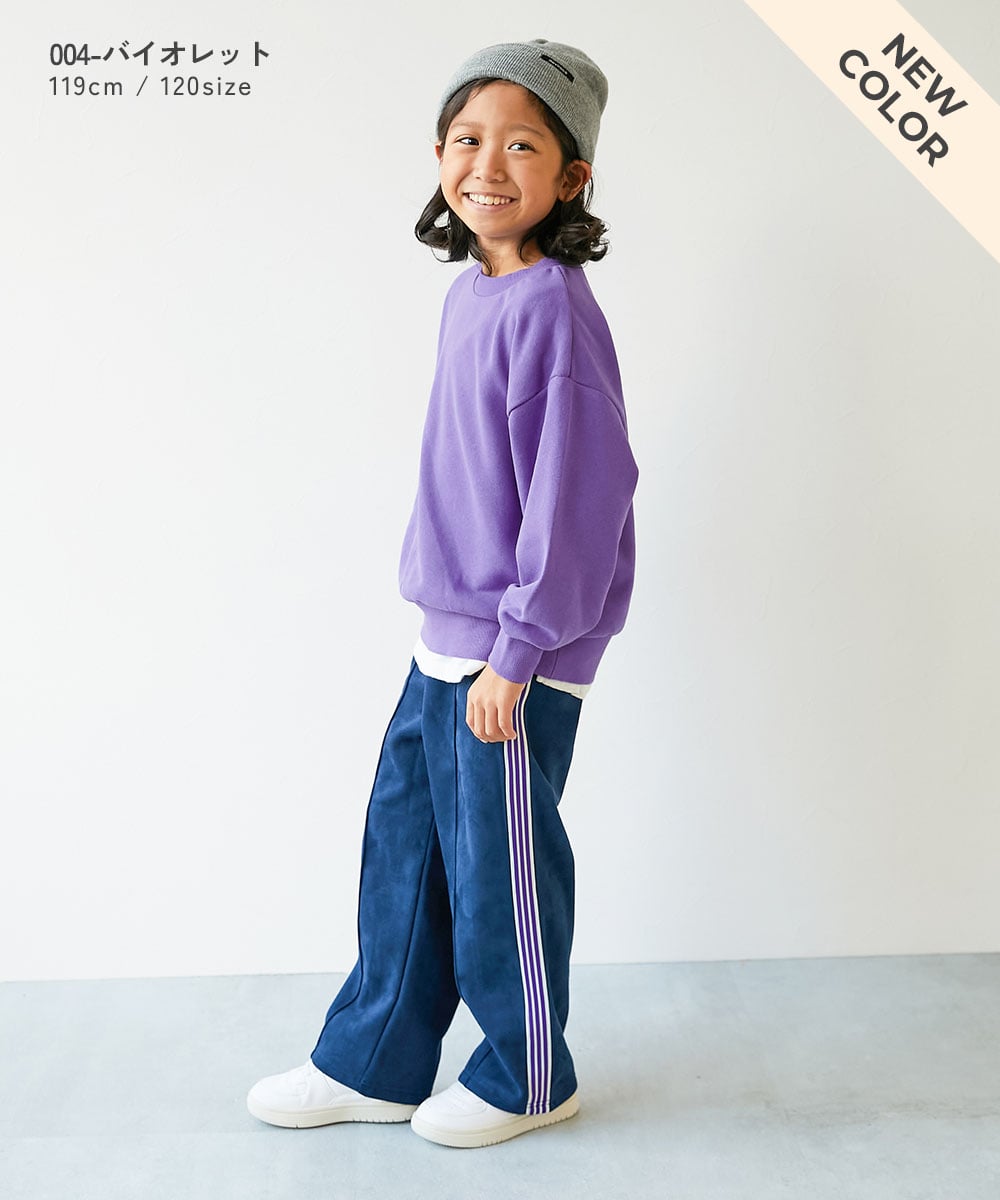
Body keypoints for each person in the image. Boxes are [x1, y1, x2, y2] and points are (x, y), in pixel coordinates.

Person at [247, 37, 638, 1149]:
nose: (487, 165)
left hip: (514, 652)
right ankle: (374, 1059)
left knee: (498, 868)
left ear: (571, 177)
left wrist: (519, 651)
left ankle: (527, 1072)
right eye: (468, 139)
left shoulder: (555, 311)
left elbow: (582, 495)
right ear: (437, 158)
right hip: (447, 635)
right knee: (406, 850)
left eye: (523, 145)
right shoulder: (475, 294)